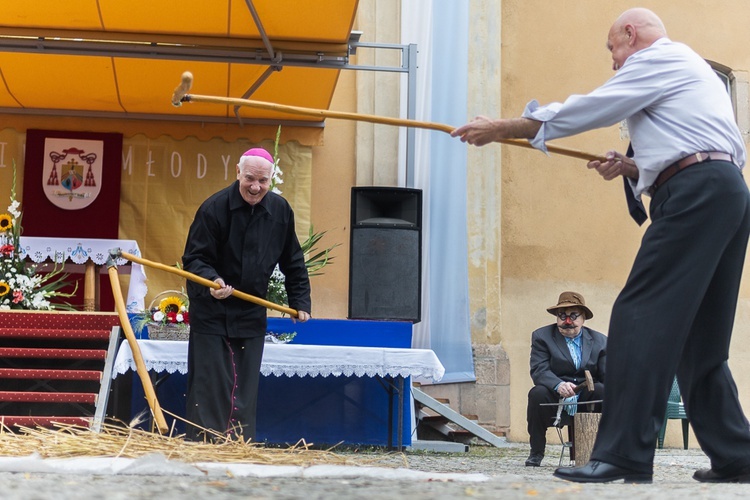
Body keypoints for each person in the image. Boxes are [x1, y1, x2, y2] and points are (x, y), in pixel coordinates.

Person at [452, 8, 750, 483]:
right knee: (701, 337)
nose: (614, 63)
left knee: (637, 316)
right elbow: (694, 141)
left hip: (695, 193)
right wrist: (637, 168)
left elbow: (592, 107)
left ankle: (625, 454)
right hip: (724, 190)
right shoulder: (693, 68)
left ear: (630, 34)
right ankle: (737, 454)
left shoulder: (654, 59)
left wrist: (507, 127)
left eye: (612, 49)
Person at [182, 147, 312, 442]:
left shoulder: (280, 211)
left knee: (244, 388)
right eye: (250, 178)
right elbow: (194, 258)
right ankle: (205, 444)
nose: (256, 187)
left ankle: (238, 445)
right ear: (237, 173)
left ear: (270, 180)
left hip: (251, 313)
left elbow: (292, 259)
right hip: (212, 312)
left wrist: (300, 301)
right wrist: (211, 281)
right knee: (211, 384)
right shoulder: (213, 208)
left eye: (263, 181)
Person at [526, 291, 606, 467]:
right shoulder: (541, 337)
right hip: (555, 393)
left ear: (583, 318)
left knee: (604, 391)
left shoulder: (600, 341)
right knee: (536, 394)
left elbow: (607, 375)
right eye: (562, 316)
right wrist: (558, 384)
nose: (567, 321)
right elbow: (539, 369)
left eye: (573, 316)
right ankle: (536, 453)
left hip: (586, 394)